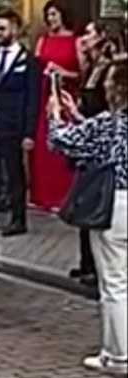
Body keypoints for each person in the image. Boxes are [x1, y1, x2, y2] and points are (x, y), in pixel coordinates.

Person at [49, 60, 128, 376]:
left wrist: (55, 115)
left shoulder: (108, 124)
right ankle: (112, 350)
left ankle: (119, 353)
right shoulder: (108, 125)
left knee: (114, 283)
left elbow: (61, 141)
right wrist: (77, 116)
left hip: (115, 204)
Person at [71, 21, 123, 286]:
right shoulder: (93, 67)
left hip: (102, 144)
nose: (84, 38)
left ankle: (94, 265)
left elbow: (107, 113)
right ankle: (86, 262)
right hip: (89, 139)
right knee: (85, 203)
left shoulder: (113, 72)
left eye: (90, 33)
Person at [29, 0, 82, 212]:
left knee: (63, 144)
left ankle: (64, 196)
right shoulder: (42, 40)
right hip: (44, 97)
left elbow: (82, 74)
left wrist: (62, 72)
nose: (51, 19)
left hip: (65, 98)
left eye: (54, 14)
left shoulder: (75, 41)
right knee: (43, 145)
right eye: (48, 15)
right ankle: (42, 195)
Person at [0, 9, 38, 236]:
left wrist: (29, 132)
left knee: (14, 172)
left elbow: (33, 98)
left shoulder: (28, 60)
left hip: (14, 124)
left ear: (15, 29)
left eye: (2, 28)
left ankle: (18, 218)